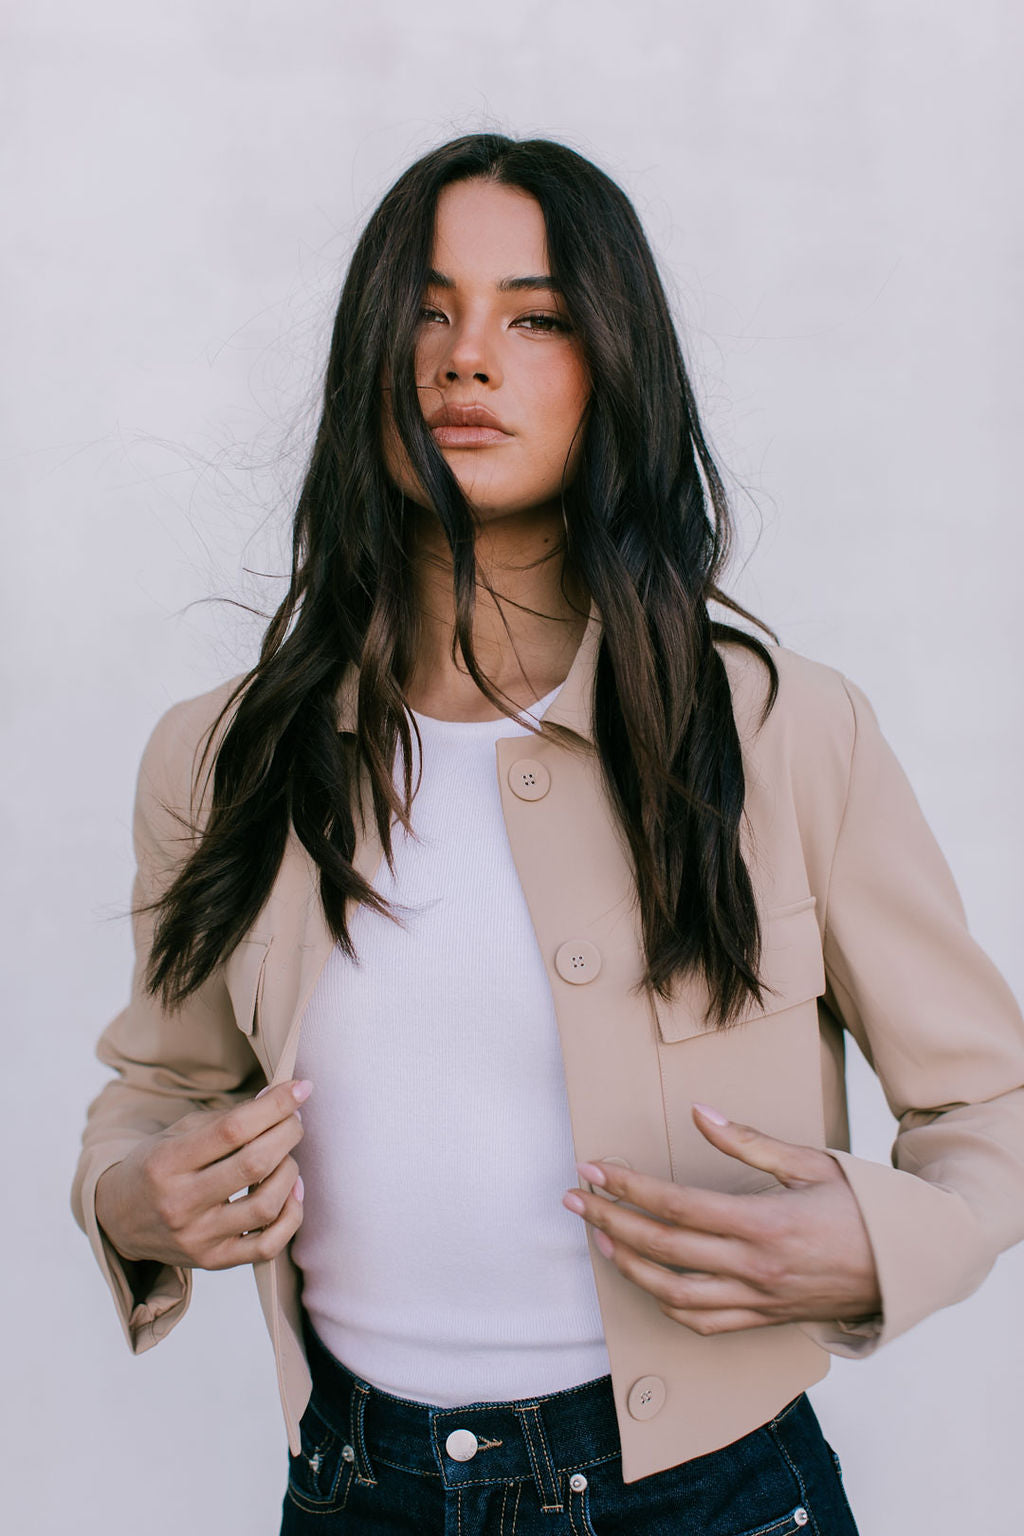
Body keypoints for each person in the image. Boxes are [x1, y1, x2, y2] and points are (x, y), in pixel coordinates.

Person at [72, 133, 1024, 1536]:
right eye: (427, 311)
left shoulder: (783, 731)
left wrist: (882, 1240)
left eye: (536, 316)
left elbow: (985, 1103)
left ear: (614, 365)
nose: (468, 358)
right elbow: (152, 1088)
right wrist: (134, 1204)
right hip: (352, 1493)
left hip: (711, 1499)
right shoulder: (223, 756)